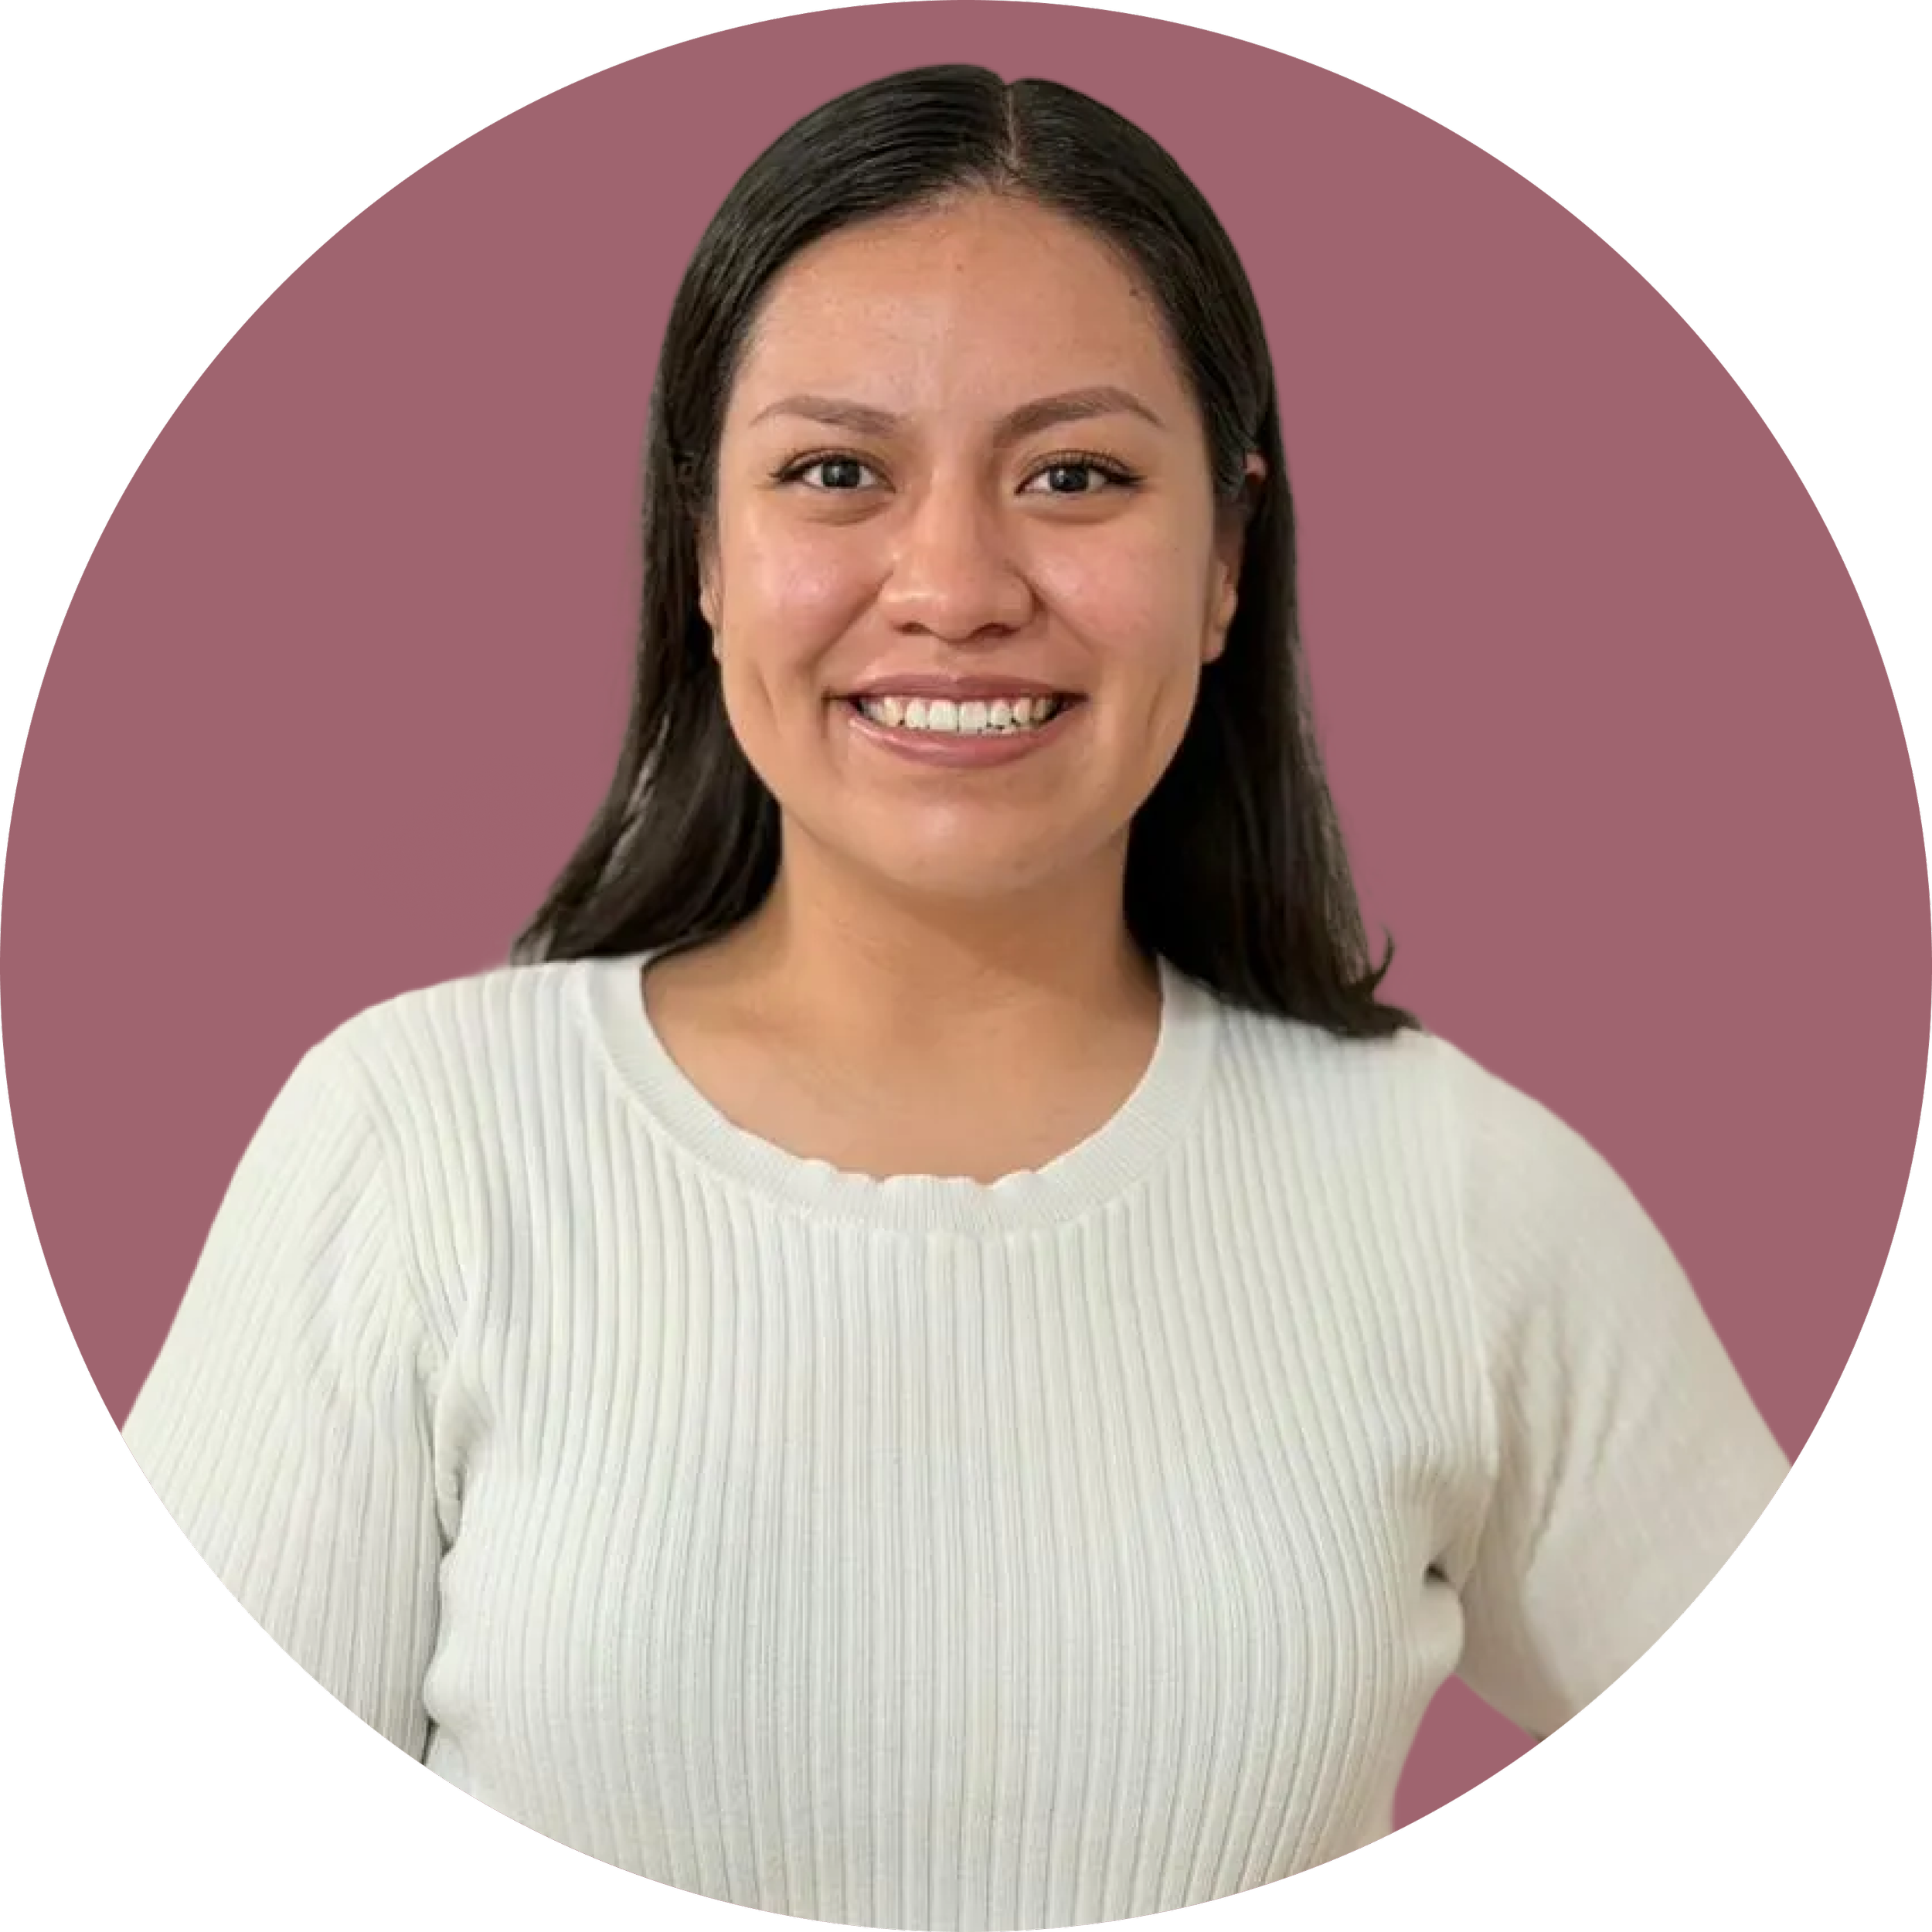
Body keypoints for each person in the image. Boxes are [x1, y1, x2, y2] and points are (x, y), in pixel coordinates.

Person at [121, 64, 1789, 1932]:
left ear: (1225, 558)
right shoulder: (415, 1145)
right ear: (703, 552)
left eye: (1073, 475)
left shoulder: (1458, 1192)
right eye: (836, 472)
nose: (954, 585)